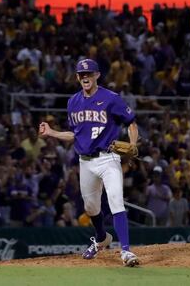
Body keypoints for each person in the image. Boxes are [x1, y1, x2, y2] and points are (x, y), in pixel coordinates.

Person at [39, 58, 140, 267]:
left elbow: (131, 123)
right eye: (81, 74)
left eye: (89, 74)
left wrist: (132, 143)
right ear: (77, 77)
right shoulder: (72, 102)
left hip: (108, 157)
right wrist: (51, 133)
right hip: (85, 162)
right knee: (91, 208)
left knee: (116, 201)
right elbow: (75, 135)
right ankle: (102, 238)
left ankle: (126, 251)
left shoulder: (111, 98)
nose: (85, 77)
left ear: (97, 76)